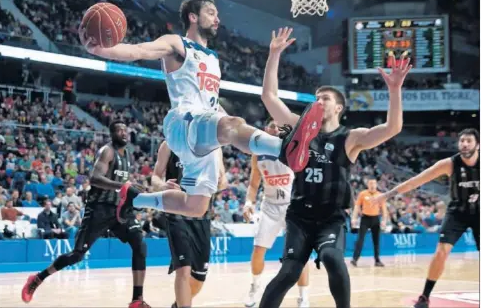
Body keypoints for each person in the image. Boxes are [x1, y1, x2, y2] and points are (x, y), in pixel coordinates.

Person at [79, 0, 323, 221]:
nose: (217, 18)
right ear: (193, 17)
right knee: (232, 125)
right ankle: (284, 147)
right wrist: (100, 49)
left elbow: (213, 105)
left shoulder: (213, 58)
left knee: (196, 207)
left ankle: (135, 199)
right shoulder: (176, 43)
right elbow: (138, 50)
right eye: (211, 12)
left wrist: (241, 128)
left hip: (202, 128)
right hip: (182, 122)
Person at [258, 27, 411, 308]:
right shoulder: (300, 128)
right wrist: (274, 54)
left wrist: (395, 90)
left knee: (331, 257)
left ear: (338, 107)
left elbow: (393, 127)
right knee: (289, 272)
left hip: (331, 217)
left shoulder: (350, 138)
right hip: (299, 216)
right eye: (316, 98)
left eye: (324, 98)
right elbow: (269, 96)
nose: (318, 102)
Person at [21, 121, 150, 308]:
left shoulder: (128, 155)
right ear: (112, 134)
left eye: (125, 130)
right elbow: (95, 179)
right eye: (119, 130)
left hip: (119, 209)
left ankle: (137, 300)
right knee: (77, 255)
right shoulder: (107, 151)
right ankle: (37, 279)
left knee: (140, 244)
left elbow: (121, 182)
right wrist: (123, 186)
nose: (123, 132)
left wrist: (135, 188)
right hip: (99, 209)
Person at [373, 128, 479, 308]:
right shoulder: (450, 164)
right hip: (457, 212)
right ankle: (425, 296)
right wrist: (386, 195)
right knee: (441, 252)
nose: (465, 144)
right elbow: (416, 181)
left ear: (478, 145)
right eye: (462, 141)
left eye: (469, 140)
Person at [242, 118, 309, 308]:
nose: (276, 128)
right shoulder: (257, 154)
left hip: (292, 207)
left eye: (280, 127)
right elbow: (254, 184)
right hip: (269, 207)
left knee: (299, 255)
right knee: (257, 251)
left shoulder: (293, 151)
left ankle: (304, 297)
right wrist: (248, 203)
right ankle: (254, 287)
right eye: (272, 125)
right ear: (265, 129)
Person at [151, 141, 227, 308]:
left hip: (201, 215)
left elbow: (223, 181)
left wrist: (214, 182)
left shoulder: (213, 146)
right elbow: (155, 176)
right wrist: (162, 185)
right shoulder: (170, 144)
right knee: (183, 269)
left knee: (199, 277)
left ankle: (178, 305)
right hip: (176, 213)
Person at [350, 178, 388, 267]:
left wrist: (384, 220)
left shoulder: (380, 195)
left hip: (376, 218)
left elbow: (384, 209)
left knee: (376, 240)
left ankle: (377, 260)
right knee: (360, 239)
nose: (372, 185)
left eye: (374, 183)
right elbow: (357, 206)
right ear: (368, 185)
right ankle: (354, 259)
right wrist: (354, 218)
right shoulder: (362, 194)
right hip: (365, 219)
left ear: (376, 185)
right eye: (370, 183)